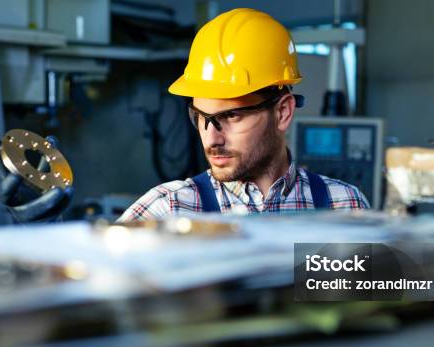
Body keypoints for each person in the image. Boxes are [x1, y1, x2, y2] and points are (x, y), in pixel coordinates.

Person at [118, 8, 369, 222]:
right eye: (202, 118)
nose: (211, 139)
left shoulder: (345, 207)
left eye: (231, 116)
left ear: (283, 112)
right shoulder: (166, 210)